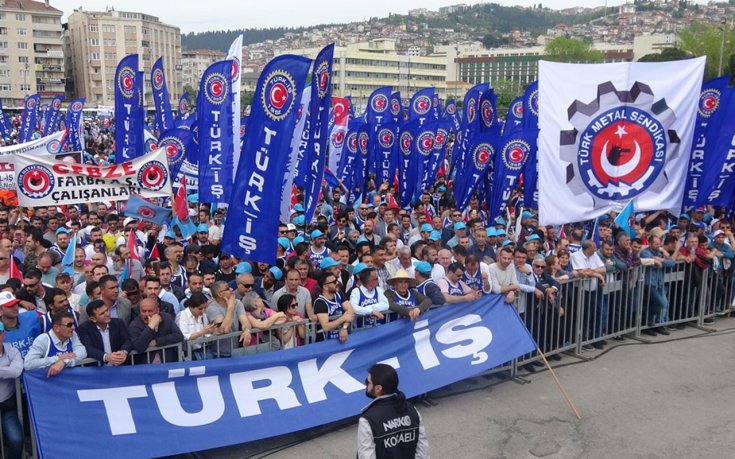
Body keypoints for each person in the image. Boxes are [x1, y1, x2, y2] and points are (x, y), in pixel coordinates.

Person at [358, 363, 429, 459]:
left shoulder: (368, 420)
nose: (365, 384)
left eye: (368, 382)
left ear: (378, 388)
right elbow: (423, 451)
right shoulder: (412, 410)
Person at [24, 311, 87, 376]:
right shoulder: (42, 339)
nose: (73, 327)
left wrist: (64, 362)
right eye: (69, 325)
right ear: (56, 328)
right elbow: (28, 364)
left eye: (73, 324)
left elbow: (82, 352)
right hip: (49, 383)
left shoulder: (72, 334)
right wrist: (57, 359)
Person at [128, 297, 185, 364]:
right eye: (143, 311)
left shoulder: (166, 317)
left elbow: (179, 336)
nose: (147, 314)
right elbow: (139, 346)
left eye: (150, 311)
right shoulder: (134, 325)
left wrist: (157, 342)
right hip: (146, 366)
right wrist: (151, 326)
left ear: (157, 310)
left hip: (168, 362)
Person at [77, 299, 132, 365]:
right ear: (93, 319)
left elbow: (127, 341)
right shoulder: (85, 328)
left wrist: (123, 352)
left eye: (107, 310)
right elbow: (88, 348)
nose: (107, 314)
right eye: (102, 313)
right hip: (98, 368)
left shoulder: (118, 323)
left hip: (119, 366)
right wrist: (107, 357)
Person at [0, 321, 24, 459]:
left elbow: (16, 371)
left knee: (16, 440)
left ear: (3, 334)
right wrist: (5, 371)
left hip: (7, 405)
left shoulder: (12, 350)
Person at [313, 272, 355, 342]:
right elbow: (326, 327)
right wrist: (342, 318)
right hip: (327, 342)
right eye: (334, 282)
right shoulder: (320, 302)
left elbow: (350, 310)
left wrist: (344, 328)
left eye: (337, 280)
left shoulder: (339, 294)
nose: (337, 283)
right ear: (325, 287)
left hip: (342, 337)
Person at [176, 292, 217, 360]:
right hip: (190, 352)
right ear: (191, 307)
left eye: (205, 308)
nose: (203, 311)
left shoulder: (203, 315)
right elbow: (184, 337)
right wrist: (202, 332)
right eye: (200, 309)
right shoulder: (182, 316)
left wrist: (212, 331)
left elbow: (206, 334)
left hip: (205, 348)